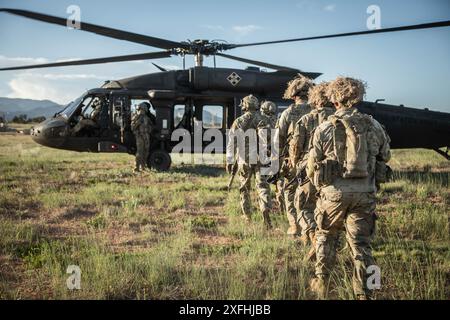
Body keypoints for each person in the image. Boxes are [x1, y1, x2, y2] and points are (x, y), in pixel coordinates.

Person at [307, 77, 391, 299]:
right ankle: (368, 291)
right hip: (365, 194)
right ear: (358, 98)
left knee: (326, 236)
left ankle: (322, 283)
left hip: (333, 194)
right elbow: (386, 155)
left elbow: (311, 166)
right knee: (362, 245)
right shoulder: (374, 126)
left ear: (334, 100)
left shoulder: (324, 127)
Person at [289, 82, 335, 251]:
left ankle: (313, 236)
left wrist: (295, 166)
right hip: (337, 174)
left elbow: (295, 149)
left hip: (310, 170)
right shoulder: (340, 118)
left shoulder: (307, 119)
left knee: (303, 207)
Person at [226, 95, 272, 229]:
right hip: (261, 159)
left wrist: (229, 160)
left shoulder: (238, 121)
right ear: (257, 105)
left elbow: (231, 142)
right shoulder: (265, 119)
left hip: (244, 159)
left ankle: (247, 217)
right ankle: (265, 212)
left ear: (245, 106)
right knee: (263, 187)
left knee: (244, 188)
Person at [276, 75, 314, 236]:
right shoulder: (317, 111)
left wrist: (276, 164)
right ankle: (311, 228)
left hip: (294, 161)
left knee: (290, 193)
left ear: (293, 95)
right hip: (317, 162)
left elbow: (278, 140)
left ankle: (295, 228)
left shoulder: (288, 113)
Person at [260, 101, 284, 213]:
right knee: (280, 182)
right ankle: (283, 208)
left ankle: (266, 208)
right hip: (277, 155)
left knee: (263, 184)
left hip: (264, 156)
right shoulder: (279, 121)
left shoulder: (260, 122)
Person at [131, 102, 153, 172]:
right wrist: (138, 123)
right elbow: (133, 128)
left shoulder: (147, 118)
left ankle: (143, 167)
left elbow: (151, 126)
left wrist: (149, 130)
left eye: (143, 110)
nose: (142, 111)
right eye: (141, 110)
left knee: (146, 152)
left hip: (146, 136)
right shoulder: (136, 117)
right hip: (140, 136)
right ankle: (136, 168)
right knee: (140, 152)